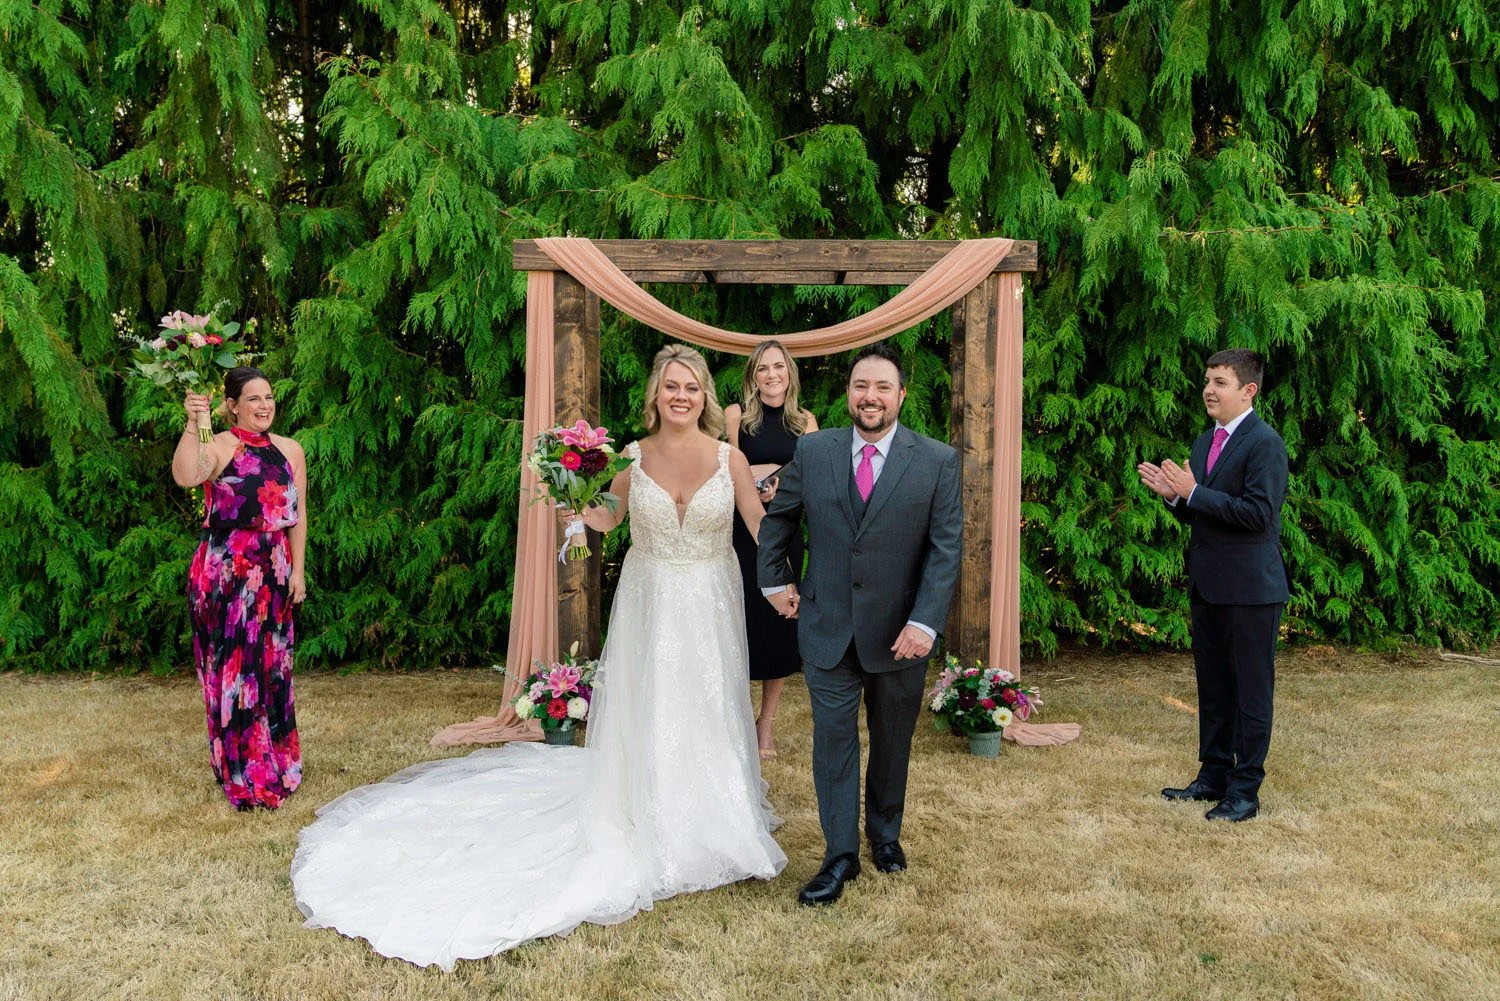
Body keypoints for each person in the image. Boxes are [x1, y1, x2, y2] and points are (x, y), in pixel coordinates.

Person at [290, 344, 786, 970]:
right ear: (655, 396)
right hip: (650, 598)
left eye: (690, 386)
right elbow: (609, 517)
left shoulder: (730, 458)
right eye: (670, 387)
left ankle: (718, 821)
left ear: (704, 394)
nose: (680, 396)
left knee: (707, 703)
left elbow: (760, 524)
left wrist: (792, 568)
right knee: (652, 704)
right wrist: (575, 499)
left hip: (711, 598)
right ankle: (650, 814)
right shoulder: (632, 456)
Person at [757, 342, 963, 906]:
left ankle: (885, 834)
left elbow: (945, 551)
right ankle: (839, 855)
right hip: (826, 628)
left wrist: (925, 622)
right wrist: (775, 583)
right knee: (834, 742)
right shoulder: (815, 450)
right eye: (859, 386)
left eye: (881, 388)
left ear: (900, 395)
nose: (869, 398)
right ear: (848, 393)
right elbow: (780, 518)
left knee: (893, 741)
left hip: (901, 636)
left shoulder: (938, 461)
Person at [1137, 348, 1289, 823]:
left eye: (1220, 382)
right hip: (1208, 587)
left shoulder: (1266, 444)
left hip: (1252, 593)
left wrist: (1194, 493)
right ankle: (1213, 775)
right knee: (1215, 689)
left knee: (1250, 694)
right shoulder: (1205, 443)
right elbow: (1206, 512)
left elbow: (1258, 515)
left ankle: (1245, 791)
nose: (1208, 389)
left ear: (1249, 390)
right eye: (1207, 380)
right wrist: (1175, 499)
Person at [171, 366, 307, 811]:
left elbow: (298, 515)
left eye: (269, 396)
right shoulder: (222, 446)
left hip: (273, 569)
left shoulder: (291, 450)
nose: (264, 405)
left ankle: (273, 757)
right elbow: (188, 475)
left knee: (272, 668)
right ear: (232, 405)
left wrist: (298, 572)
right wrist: (194, 423)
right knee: (235, 672)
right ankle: (241, 768)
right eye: (253, 398)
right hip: (226, 571)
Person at [725, 340, 819, 760]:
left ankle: (766, 723)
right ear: (753, 376)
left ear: (789, 373)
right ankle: (737, 720)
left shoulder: (806, 422)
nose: (771, 375)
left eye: (778, 367)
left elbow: (813, 478)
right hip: (739, 532)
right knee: (740, 622)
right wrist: (751, 477)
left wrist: (785, 486)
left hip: (784, 531)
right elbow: (724, 467)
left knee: (780, 621)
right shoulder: (735, 417)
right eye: (763, 369)